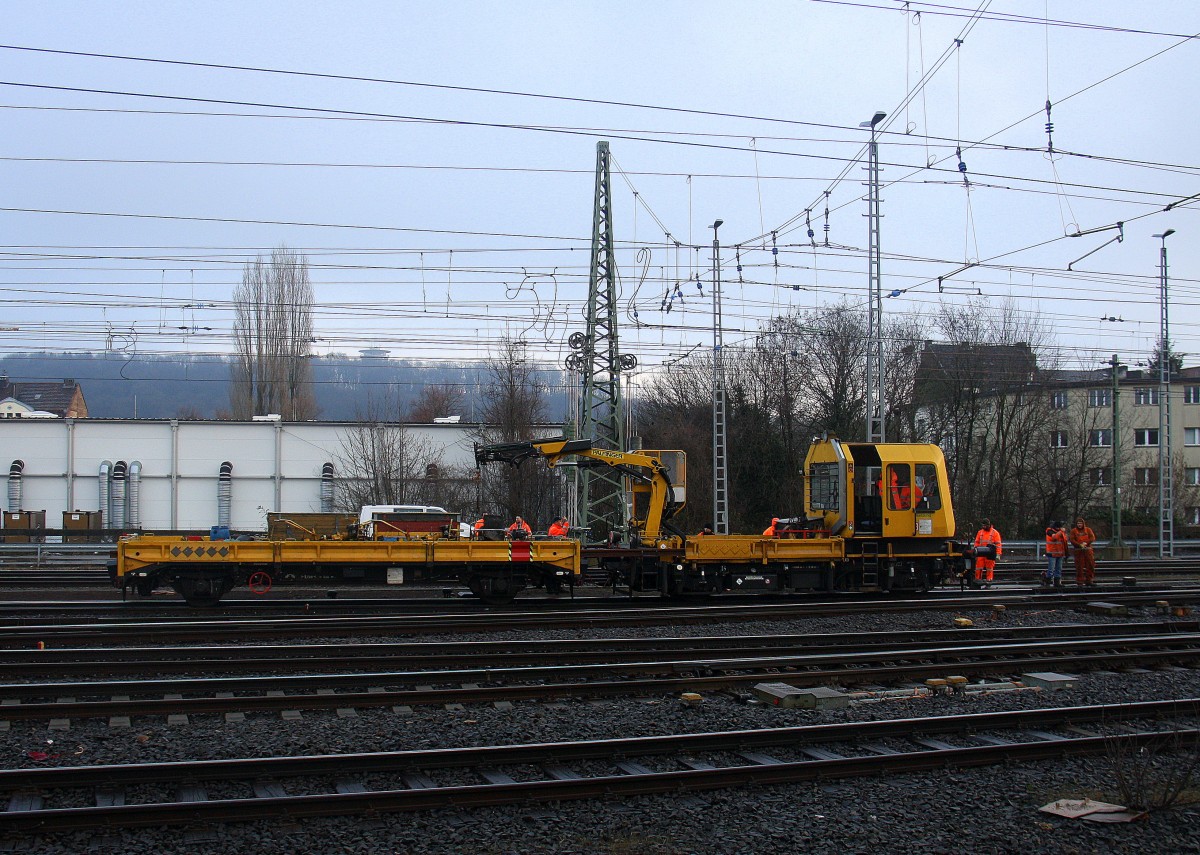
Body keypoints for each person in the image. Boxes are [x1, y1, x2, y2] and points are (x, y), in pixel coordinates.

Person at [973, 518, 1003, 588]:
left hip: (990, 554)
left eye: (985, 525)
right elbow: (976, 542)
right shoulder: (980, 532)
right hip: (980, 553)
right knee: (978, 568)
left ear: (988, 525)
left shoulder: (995, 533)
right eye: (982, 525)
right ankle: (978, 581)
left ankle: (988, 582)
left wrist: (998, 554)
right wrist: (975, 552)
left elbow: (998, 544)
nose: (983, 527)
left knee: (989, 569)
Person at [1069, 517, 1097, 587]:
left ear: (1083, 523)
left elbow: (1092, 537)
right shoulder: (1073, 531)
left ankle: (1089, 580)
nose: (1079, 525)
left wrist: (1086, 543)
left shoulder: (1088, 530)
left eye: (1081, 523)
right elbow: (1072, 540)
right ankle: (1080, 582)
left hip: (1088, 550)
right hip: (1078, 551)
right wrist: (1079, 545)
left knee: (1090, 565)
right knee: (1079, 567)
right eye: (1078, 523)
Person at [1044, 520, 1068, 588]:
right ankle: (1047, 581)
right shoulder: (1049, 531)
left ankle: (1057, 582)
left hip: (1060, 553)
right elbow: (1055, 537)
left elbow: (1064, 542)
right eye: (1057, 527)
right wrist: (1061, 532)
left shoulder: (1061, 532)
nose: (1058, 528)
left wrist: (1066, 553)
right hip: (1052, 553)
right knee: (1051, 568)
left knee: (1058, 569)